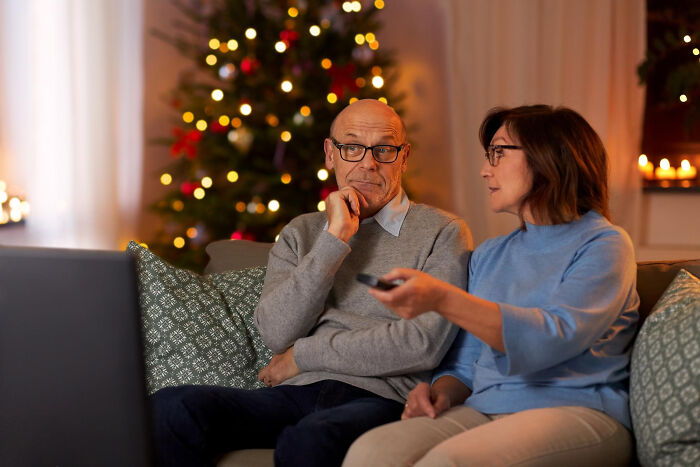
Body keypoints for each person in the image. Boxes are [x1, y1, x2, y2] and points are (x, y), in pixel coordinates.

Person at [150, 99, 473, 466]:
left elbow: (422, 344)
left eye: (384, 149)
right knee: (171, 407)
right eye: (352, 147)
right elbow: (276, 332)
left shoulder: (443, 232)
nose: (368, 163)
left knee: (311, 441)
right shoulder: (302, 232)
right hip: (292, 394)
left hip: (379, 398)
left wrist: (303, 356)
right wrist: (334, 239)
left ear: (403, 157)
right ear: (330, 154)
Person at [343, 105, 639, 466]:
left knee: (446, 463)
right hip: (485, 409)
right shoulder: (490, 255)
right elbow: (465, 366)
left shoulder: (604, 244)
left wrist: (441, 298)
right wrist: (438, 394)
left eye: (499, 153)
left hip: (579, 411)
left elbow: (551, 338)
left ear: (550, 156)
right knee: (369, 453)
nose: (485, 170)